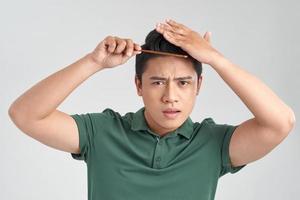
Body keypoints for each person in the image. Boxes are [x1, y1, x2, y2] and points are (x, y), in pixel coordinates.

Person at [8, 19, 295, 200]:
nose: (170, 96)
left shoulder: (213, 143)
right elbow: (25, 115)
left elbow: (281, 122)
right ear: (139, 85)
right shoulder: (103, 132)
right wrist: (93, 62)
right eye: (158, 82)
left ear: (198, 86)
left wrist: (217, 60)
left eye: (183, 83)